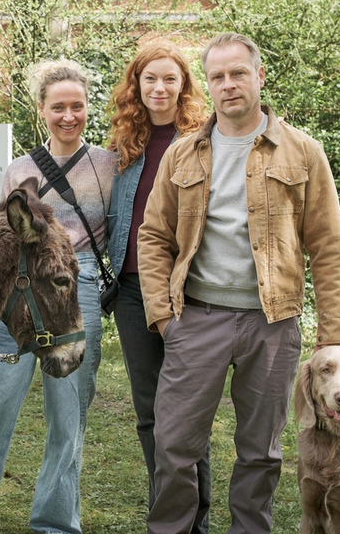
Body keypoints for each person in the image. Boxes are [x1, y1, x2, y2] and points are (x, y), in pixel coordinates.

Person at [137, 32, 340, 534]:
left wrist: (336, 335)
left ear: (259, 76)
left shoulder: (303, 152)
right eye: (217, 76)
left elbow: (328, 246)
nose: (228, 84)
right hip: (196, 319)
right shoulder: (183, 153)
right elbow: (153, 237)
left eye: (238, 73)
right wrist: (164, 318)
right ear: (207, 84)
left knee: (260, 452)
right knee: (174, 446)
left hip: (272, 325)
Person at [0, 58, 115, 534]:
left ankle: (56, 524)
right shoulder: (19, 169)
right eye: (58, 107)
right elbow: (1, 241)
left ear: (87, 107)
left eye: (77, 106)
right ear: (42, 110)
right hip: (16, 294)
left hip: (77, 292)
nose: (68, 116)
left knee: (67, 418)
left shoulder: (109, 165)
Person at [105, 41, 211, 533]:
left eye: (170, 78)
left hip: (189, 292)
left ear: (184, 85)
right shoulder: (125, 144)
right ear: (137, 85)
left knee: (187, 414)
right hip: (132, 292)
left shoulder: (205, 141)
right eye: (150, 78)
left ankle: (196, 521)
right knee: (149, 412)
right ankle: (168, 516)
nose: (159, 88)